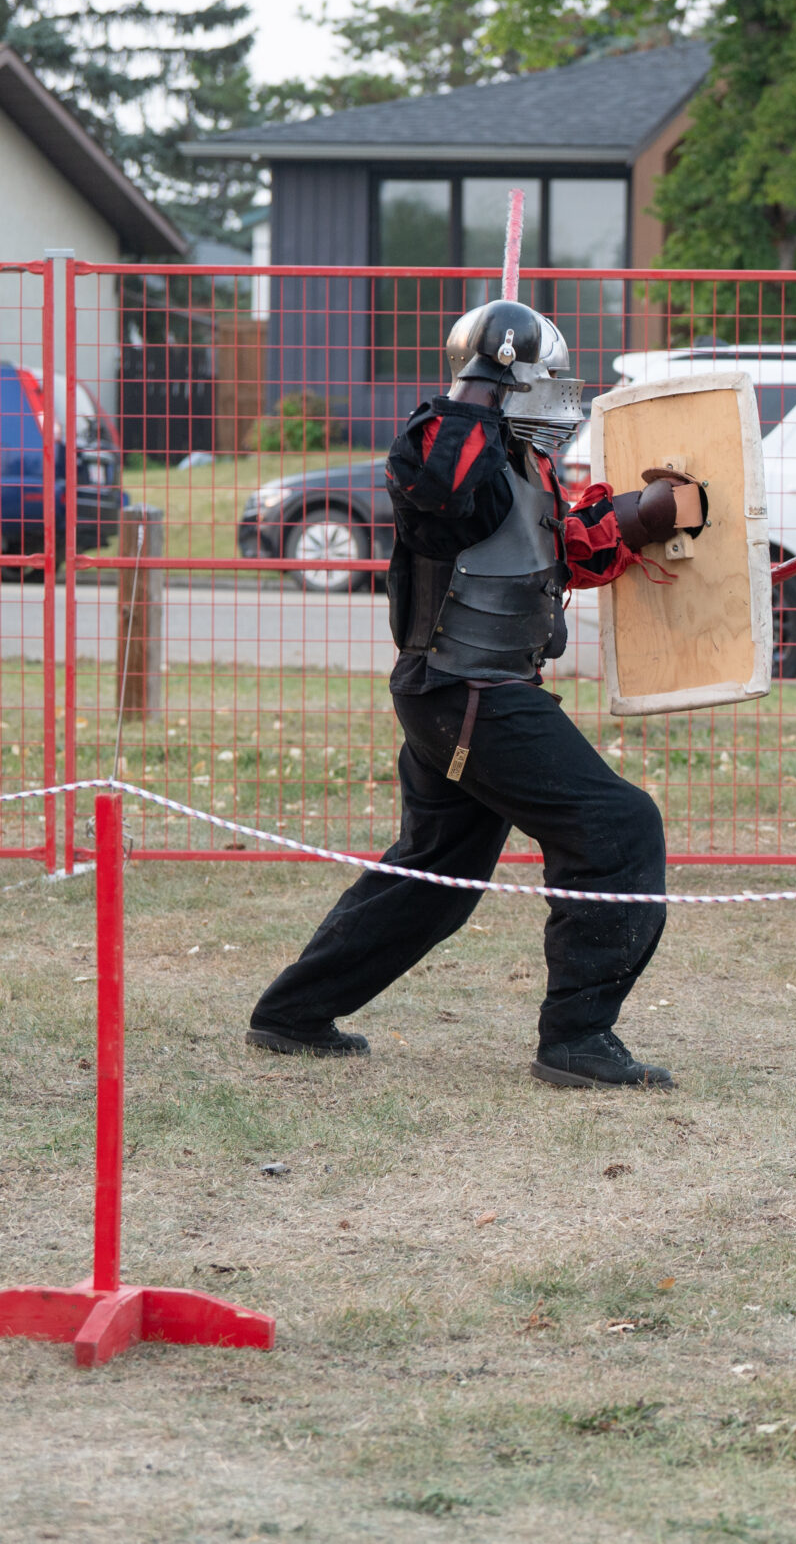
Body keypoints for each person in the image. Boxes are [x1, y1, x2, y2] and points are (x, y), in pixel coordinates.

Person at [246, 299, 707, 1089]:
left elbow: (564, 551)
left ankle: (292, 1012)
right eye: (545, 378)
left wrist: (656, 511)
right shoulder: (444, 441)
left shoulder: (520, 463)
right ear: (505, 378)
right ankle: (577, 1039)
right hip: (469, 692)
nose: (561, 397)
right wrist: (481, 386)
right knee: (618, 826)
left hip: (465, 696)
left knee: (434, 879)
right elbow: (441, 499)